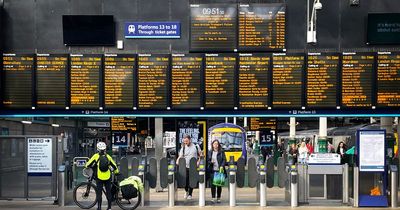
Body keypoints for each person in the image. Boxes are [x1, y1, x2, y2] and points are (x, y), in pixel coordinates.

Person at [85, 142, 119, 210]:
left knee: (99, 192)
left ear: (98, 149)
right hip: (107, 177)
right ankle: (109, 208)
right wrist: (116, 172)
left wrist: (86, 165)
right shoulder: (108, 157)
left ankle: (99, 207)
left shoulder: (96, 156)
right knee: (108, 192)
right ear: (105, 149)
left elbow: (88, 164)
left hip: (99, 177)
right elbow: (114, 166)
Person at [176, 134, 203, 200]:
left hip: (193, 166)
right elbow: (180, 156)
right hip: (185, 166)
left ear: (190, 140)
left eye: (186, 141)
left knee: (192, 180)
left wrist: (198, 161)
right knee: (185, 180)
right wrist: (177, 160)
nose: (185, 143)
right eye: (184, 141)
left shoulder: (196, 146)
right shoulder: (183, 148)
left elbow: (201, 155)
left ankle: (190, 194)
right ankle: (186, 191)